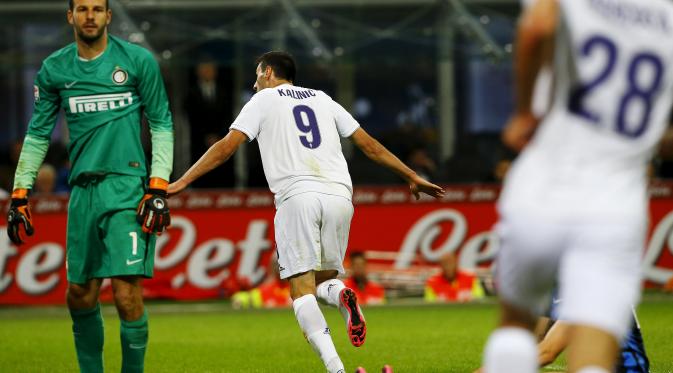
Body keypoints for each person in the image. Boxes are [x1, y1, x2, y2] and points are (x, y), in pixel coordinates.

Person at [168, 51, 444, 373]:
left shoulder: (264, 99)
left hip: (298, 195)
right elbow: (368, 145)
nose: (255, 84)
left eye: (257, 76)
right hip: (341, 196)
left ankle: (336, 369)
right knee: (325, 281)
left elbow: (226, 147)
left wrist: (184, 180)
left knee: (301, 292)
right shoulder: (323, 99)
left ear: (268, 72)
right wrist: (410, 175)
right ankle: (342, 296)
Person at [482, 1, 673, 373]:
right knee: (593, 355)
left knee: (515, 330)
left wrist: (523, 111)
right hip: (615, 206)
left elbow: (537, 26)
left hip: (542, 186)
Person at [5, 0, 174, 372]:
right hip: (82, 193)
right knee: (80, 294)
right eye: (82, 8)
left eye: (98, 8)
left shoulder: (137, 61)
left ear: (108, 16)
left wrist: (158, 186)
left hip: (128, 189)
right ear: (71, 16)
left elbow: (162, 124)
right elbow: (37, 135)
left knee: (127, 292)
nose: (90, 15)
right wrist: (20, 193)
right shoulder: (54, 69)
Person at [184, 59, 235, 188]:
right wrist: (206, 136)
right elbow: (191, 118)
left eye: (210, 68)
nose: (207, 72)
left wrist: (219, 135)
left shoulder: (225, 92)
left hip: (222, 140)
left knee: (221, 175)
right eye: (204, 68)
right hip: (199, 143)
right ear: (198, 72)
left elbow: (229, 116)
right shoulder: (191, 93)